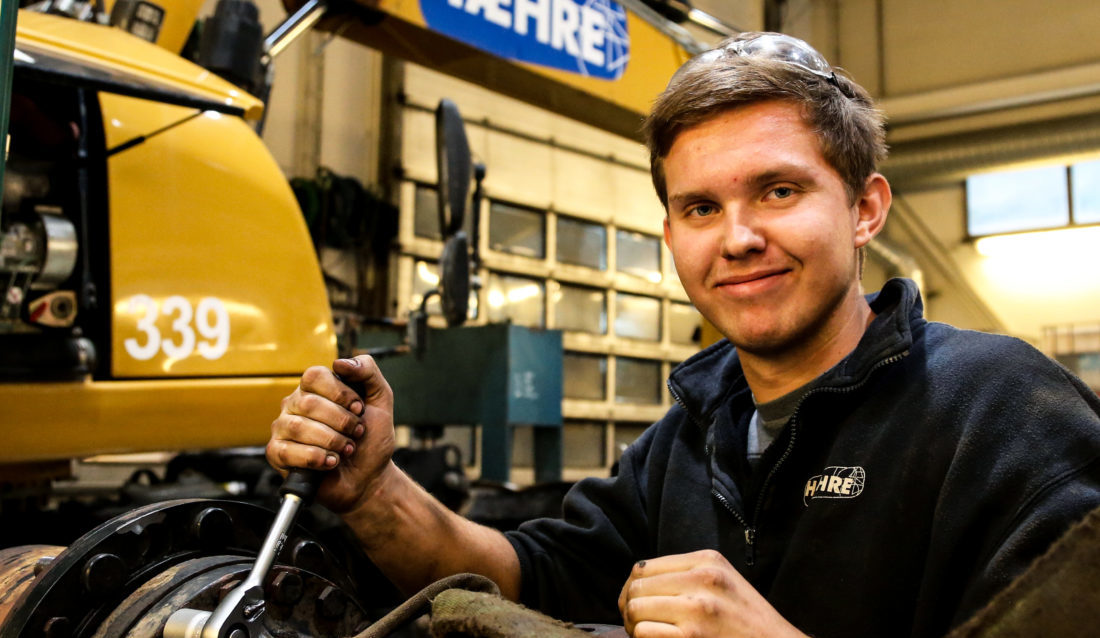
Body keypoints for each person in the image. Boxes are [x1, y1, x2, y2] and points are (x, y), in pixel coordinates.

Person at [266, 32, 1100, 638]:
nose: (736, 237)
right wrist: (376, 493)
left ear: (865, 209)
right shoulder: (692, 436)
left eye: (777, 191)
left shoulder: (1002, 414)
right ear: (671, 235)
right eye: (701, 208)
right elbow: (530, 579)